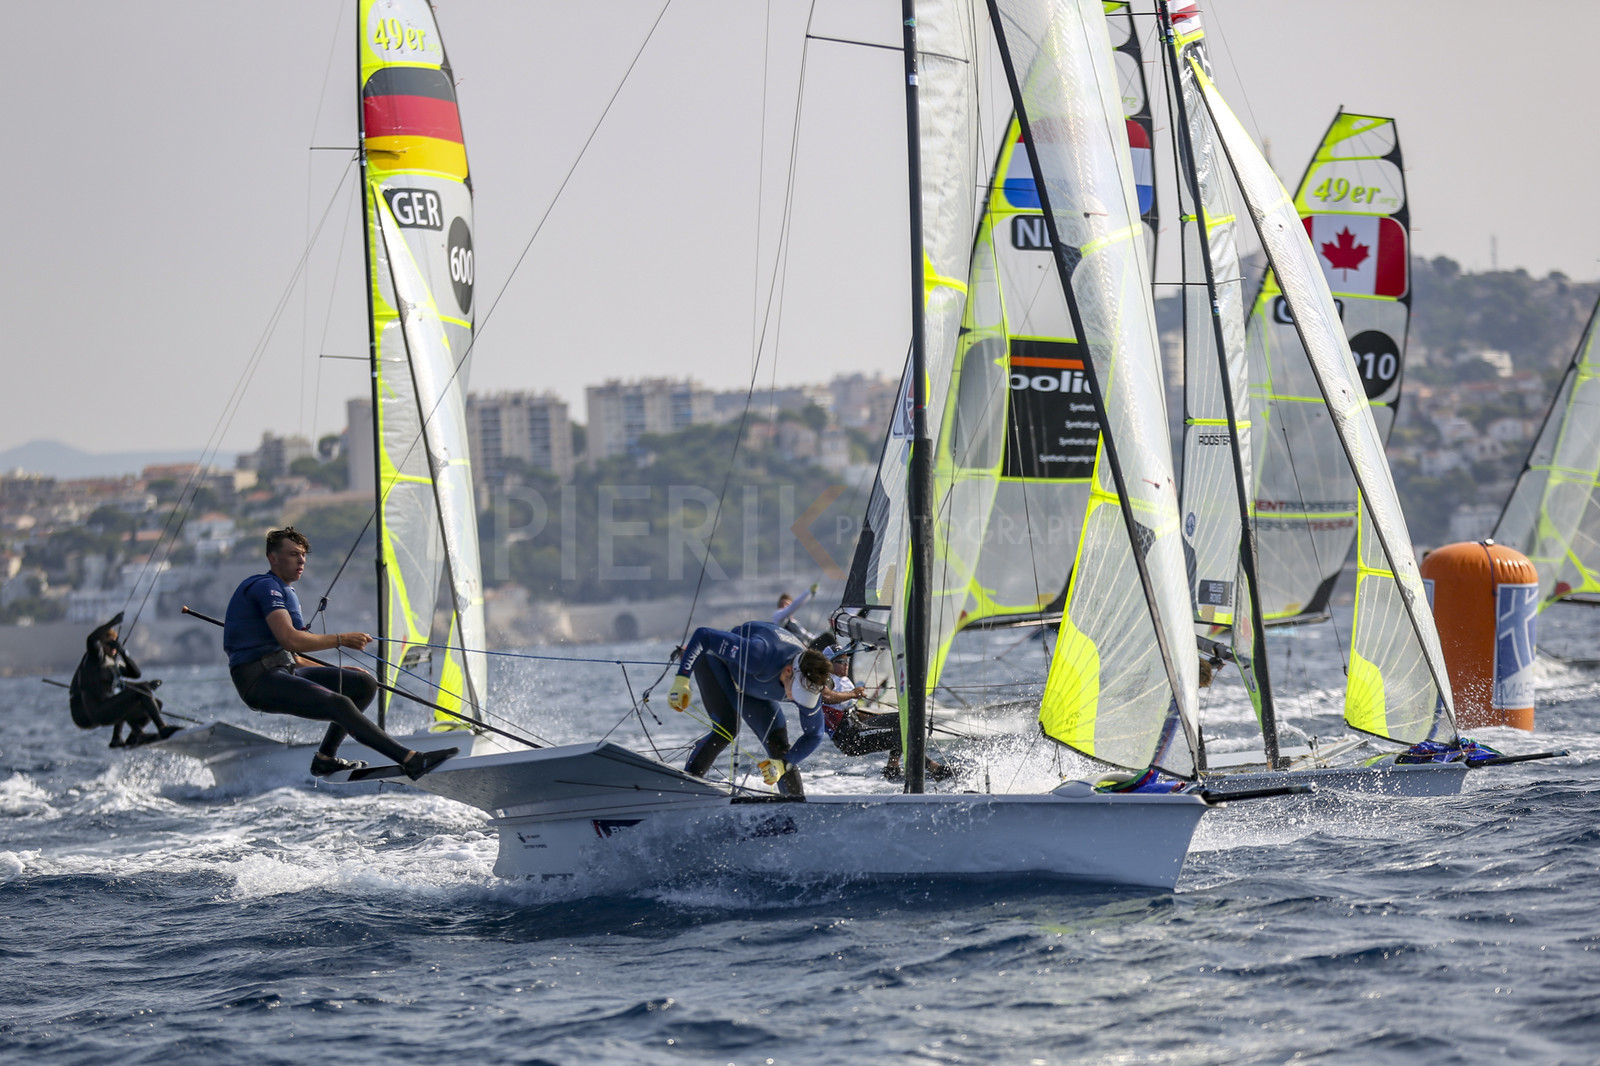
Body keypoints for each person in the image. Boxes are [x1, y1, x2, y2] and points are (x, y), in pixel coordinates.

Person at [222, 526, 455, 779]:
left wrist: (336, 670)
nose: (301, 560)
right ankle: (411, 760)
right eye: (293, 554)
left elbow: (295, 658)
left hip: (284, 671)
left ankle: (325, 759)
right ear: (273, 558)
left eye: (303, 555)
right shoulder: (265, 587)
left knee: (362, 684)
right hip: (258, 680)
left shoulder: (286, 591)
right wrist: (341, 639)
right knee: (339, 704)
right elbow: (290, 640)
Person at [667, 620, 831, 797]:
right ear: (788, 671)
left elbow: (814, 735)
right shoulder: (759, 653)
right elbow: (704, 635)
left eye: (803, 696)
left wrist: (784, 764)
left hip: (753, 687)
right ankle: (685, 789)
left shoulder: (811, 686)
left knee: (779, 748)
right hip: (718, 662)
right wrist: (682, 680)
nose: (795, 699)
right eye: (796, 691)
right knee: (726, 728)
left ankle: (795, 805)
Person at [818, 648, 952, 781]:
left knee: (902, 719)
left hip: (857, 726)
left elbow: (852, 713)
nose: (846, 664)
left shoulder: (843, 680)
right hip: (849, 739)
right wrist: (853, 694)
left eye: (847, 660)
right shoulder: (827, 679)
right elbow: (824, 696)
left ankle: (892, 768)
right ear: (828, 664)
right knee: (900, 734)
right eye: (841, 661)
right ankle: (934, 768)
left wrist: (881, 719)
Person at [68, 612, 178, 747]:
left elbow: (136, 674)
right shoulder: (95, 657)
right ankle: (162, 728)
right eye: (110, 644)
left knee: (156, 703)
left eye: (115, 644)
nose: (113, 647)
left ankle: (136, 736)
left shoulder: (111, 663)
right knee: (141, 689)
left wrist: (122, 651)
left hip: (106, 709)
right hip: (97, 711)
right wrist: (113, 622)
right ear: (101, 644)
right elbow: (91, 639)